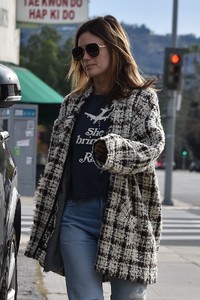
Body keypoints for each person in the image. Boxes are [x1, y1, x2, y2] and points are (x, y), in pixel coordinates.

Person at [25, 15, 165, 300]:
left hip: (126, 215)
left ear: (115, 47)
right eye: (79, 52)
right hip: (75, 217)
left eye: (92, 49)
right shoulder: (71, 104)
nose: (85, 58)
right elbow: (57, 166)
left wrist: (110, 150)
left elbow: (152, 147)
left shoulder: (141, 99)